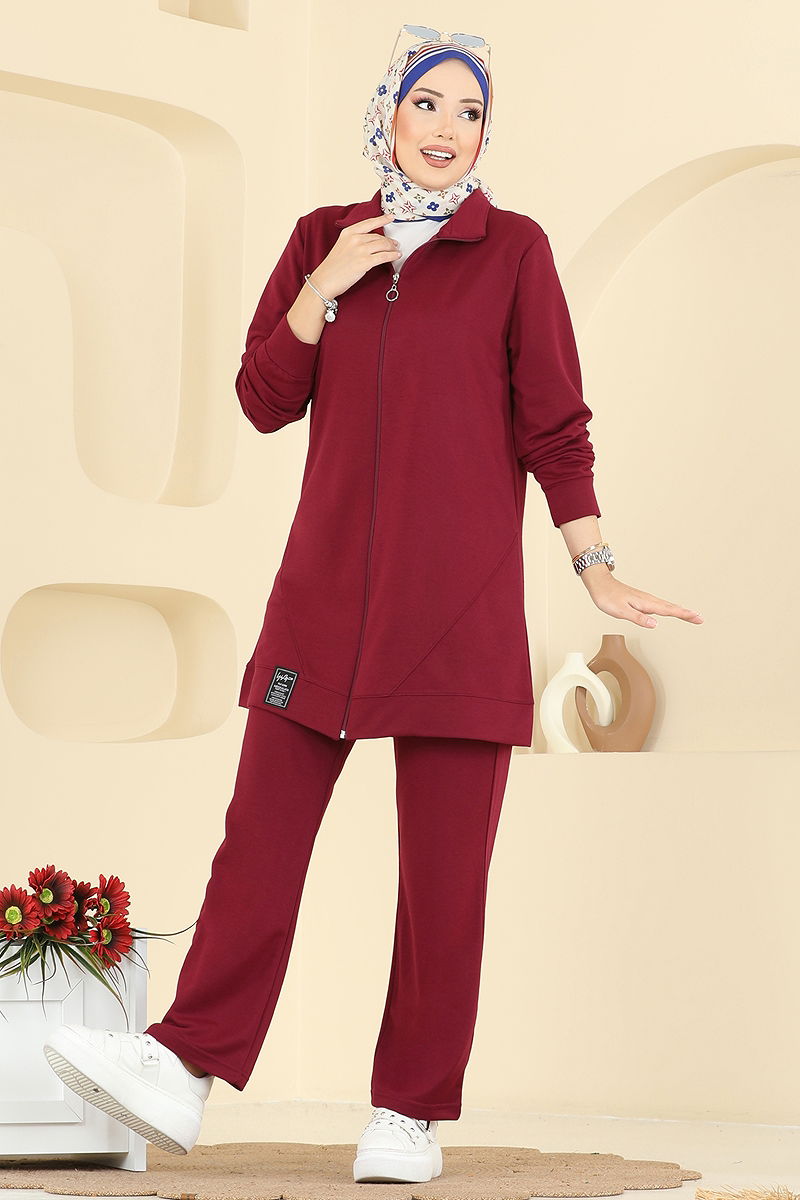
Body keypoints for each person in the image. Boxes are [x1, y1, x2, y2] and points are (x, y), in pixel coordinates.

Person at [42, 27, 703, 1186]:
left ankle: (408, 1114)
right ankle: (181, 1068)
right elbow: (262, 398)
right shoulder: (321, 240)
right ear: (386, 114)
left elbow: (554, 425)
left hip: (457, 612)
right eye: (425, 103)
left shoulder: (513, 252)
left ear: (485, 134)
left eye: (468, 112)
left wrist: (593, 564)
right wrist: (322, 289)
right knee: (258, 845)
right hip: (323, 603)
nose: (446, 128)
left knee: (443, 884)